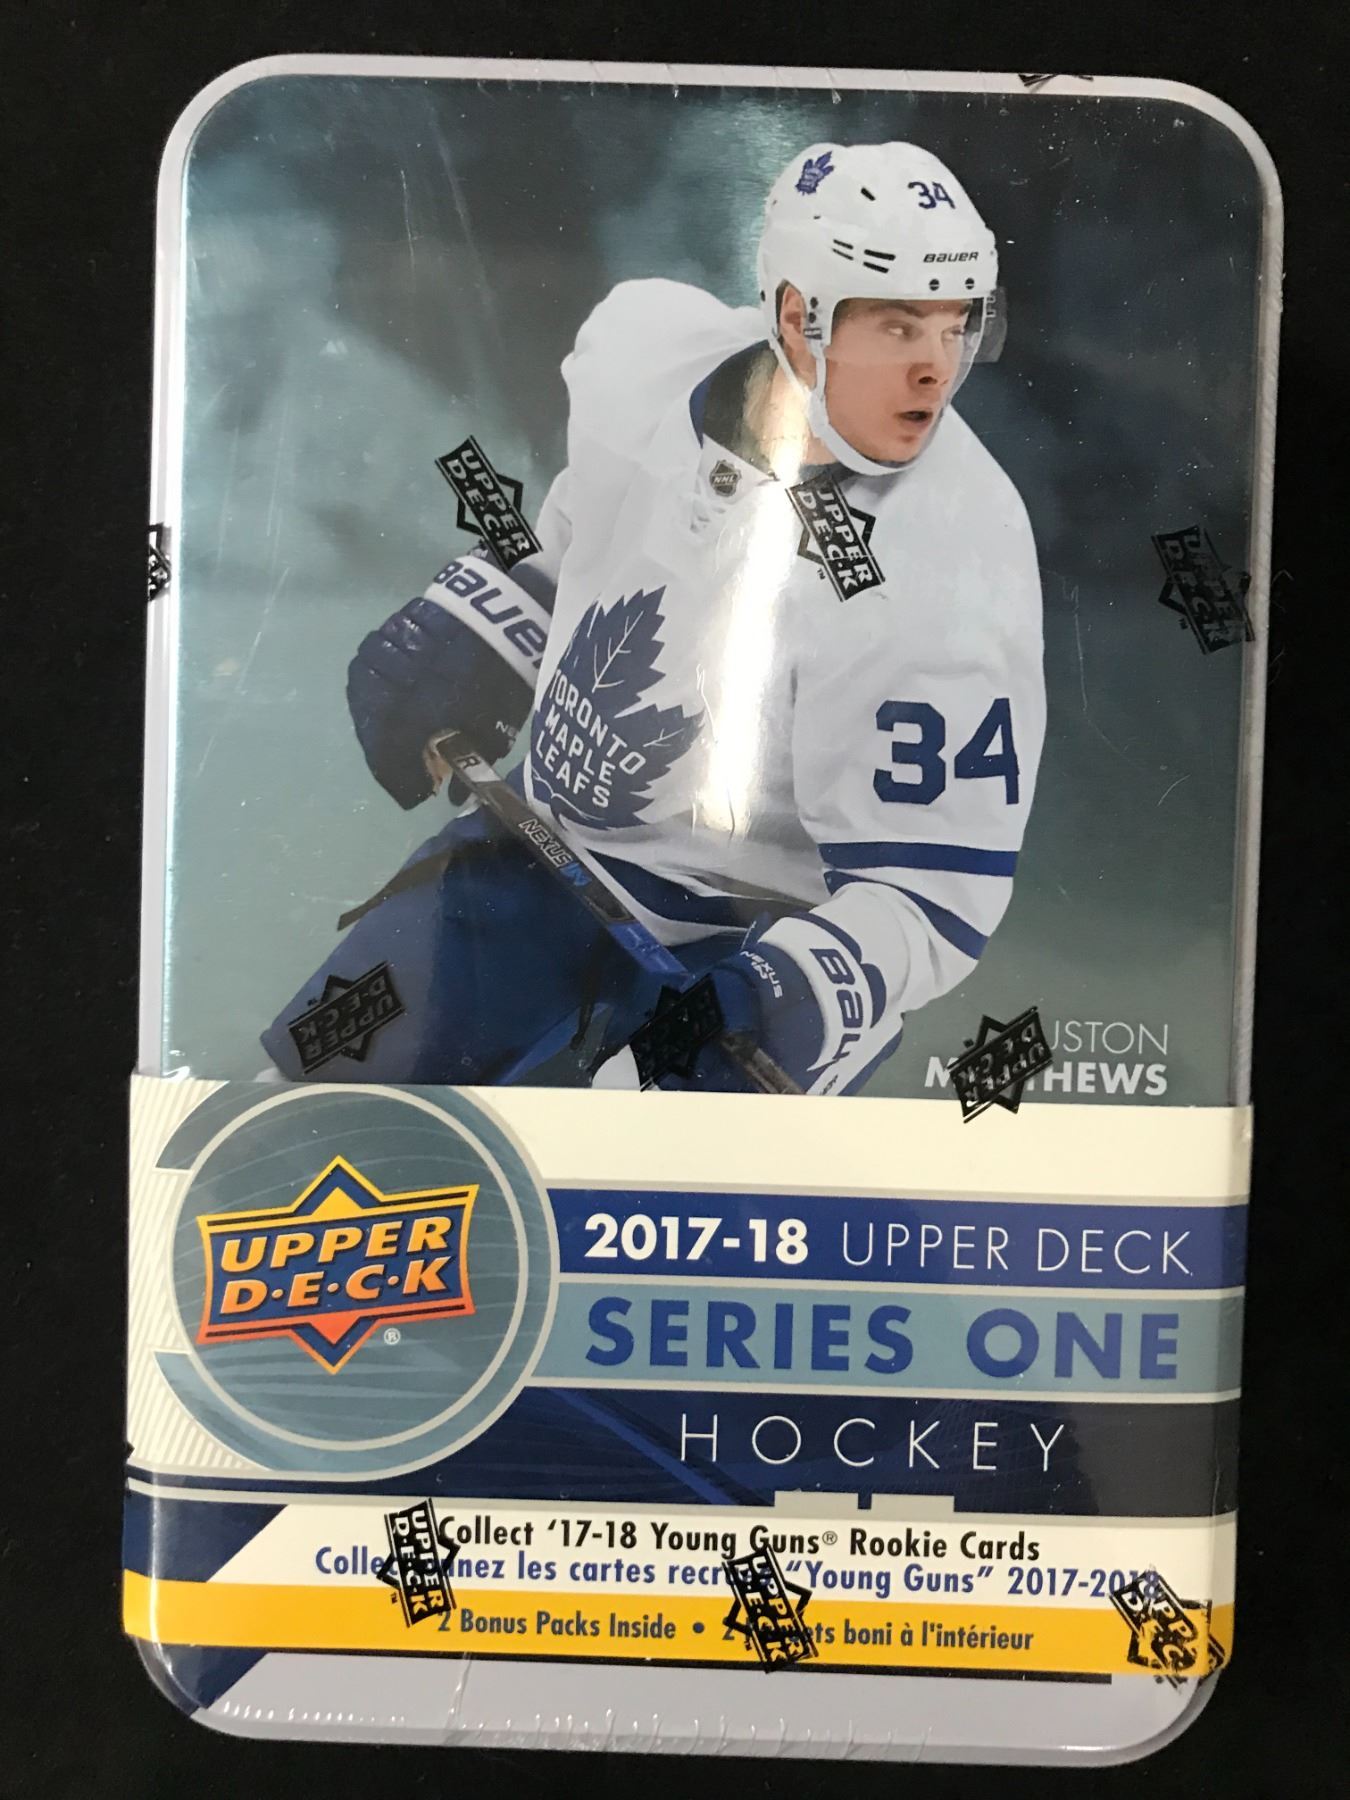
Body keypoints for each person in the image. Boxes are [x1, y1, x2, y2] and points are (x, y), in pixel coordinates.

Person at [263, 140, 1046, 1096]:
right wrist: (475, 633)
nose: (937, 369)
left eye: (957, 325)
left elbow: (928, 893)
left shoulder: (956, 553)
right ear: (797, 316)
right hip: (527, 853)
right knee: (302, 1107)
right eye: (898, 325)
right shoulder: (650, 356)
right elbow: (581, 535)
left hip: (733, 954)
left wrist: (791, 997)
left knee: (607, 1182)